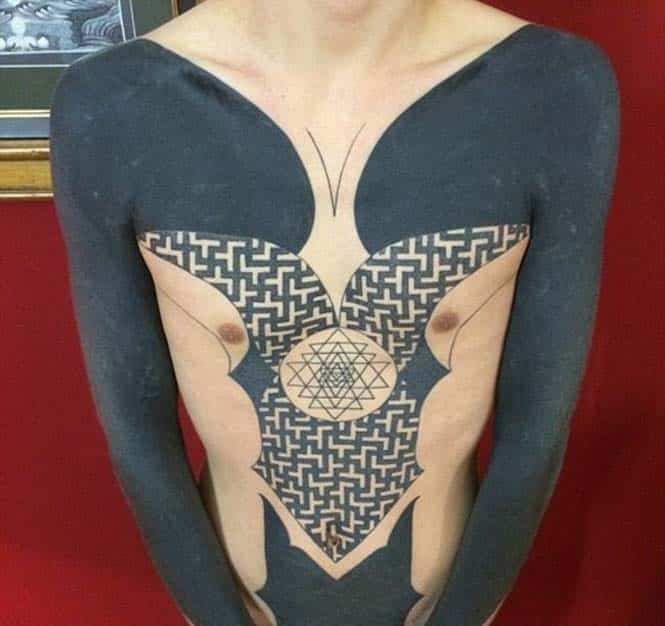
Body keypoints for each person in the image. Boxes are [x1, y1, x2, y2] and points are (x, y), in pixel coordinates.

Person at [48, 1, 620, 625]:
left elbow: (537, 427)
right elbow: (136, 431)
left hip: (446, 602)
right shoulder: (113, 105)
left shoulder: (552, 88)